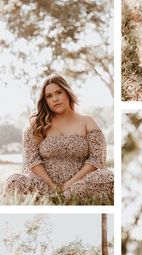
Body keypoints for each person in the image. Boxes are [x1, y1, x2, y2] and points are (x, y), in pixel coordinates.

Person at [4, 74, 114, 203]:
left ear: (67, 93)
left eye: (59, 92)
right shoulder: (36, 124)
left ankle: (63, 198)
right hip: (44, 185)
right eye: (49, 96)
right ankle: (52, 198)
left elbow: (96, 159)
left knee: (109, 178)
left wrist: (68, 185)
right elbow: (32, 161)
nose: (55, 99)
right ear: (45, 101)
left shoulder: (87, 121)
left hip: (79, 183)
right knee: (13, 181)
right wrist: (53, 187)